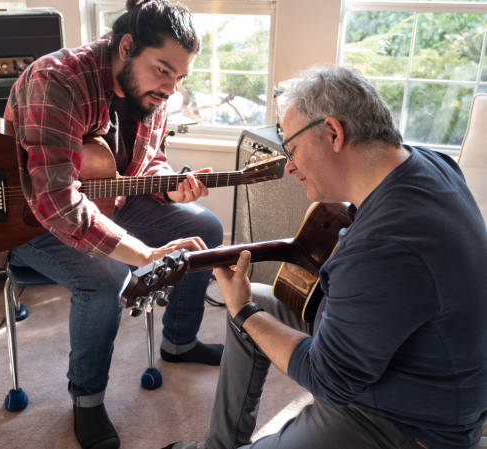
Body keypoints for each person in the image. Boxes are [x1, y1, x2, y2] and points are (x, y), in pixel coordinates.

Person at [163, 66, 487, 449]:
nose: (289, 165)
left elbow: (329, 379)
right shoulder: (431, 164)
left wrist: (244, 309)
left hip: (407, 421)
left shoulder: (385, 244)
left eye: (292, 148)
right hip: (393, 357)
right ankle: (218, 444)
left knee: (248, 312)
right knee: (261, 302)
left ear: (334, 133)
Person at [2, 1, 224, 448]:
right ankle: (86, 399)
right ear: (126, 46)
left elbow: (145, 165)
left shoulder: (154, 95)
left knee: (208, 228)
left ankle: (179, 343)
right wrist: (142, 255)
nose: (170, 88)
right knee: (107, 276)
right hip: (25, 219)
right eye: (163, 71)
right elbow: (59, 203)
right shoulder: (57, 81)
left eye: (180, 78)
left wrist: (169, 186)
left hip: (108, 203)